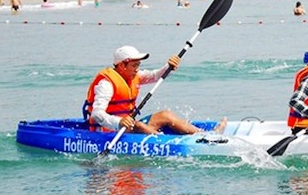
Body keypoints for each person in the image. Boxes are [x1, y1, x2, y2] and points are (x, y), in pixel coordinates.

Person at [83, 45, 226, 134]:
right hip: (106, 131)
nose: (137, 69)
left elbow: (155, 75)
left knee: (165, 114)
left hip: (128, 126)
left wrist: (169, 66)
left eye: (138, 65)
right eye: (134, 65)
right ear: (121, 65)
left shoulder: (135, 76)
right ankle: (158, 139)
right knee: (138, 124)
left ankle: (206, 135)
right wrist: (118, 122)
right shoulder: (106, 84)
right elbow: (96, 114)